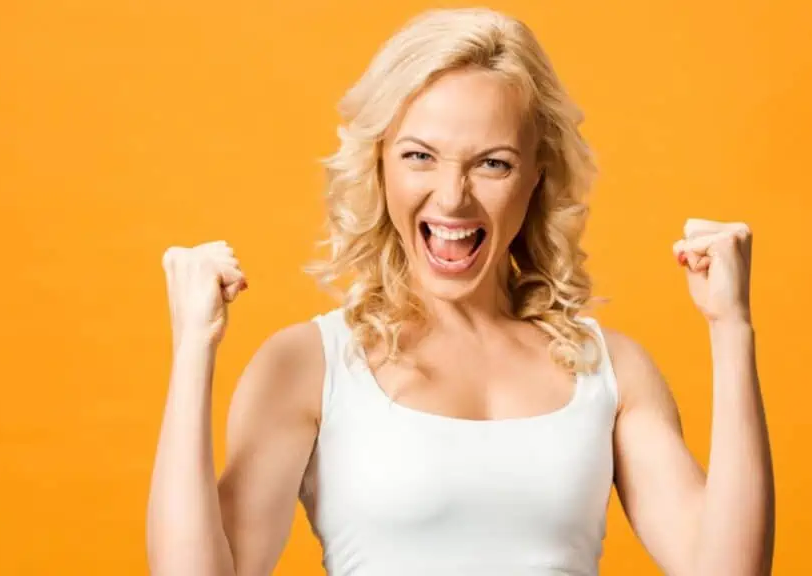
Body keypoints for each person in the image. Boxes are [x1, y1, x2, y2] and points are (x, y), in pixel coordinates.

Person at [146, 7, 775, 576]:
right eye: (420, 156)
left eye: (492, 163)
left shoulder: (610, 370)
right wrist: (192, 351)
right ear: (379, 162)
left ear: (536, 176)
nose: (452, 197)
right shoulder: (308, 365)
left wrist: (731, 328)